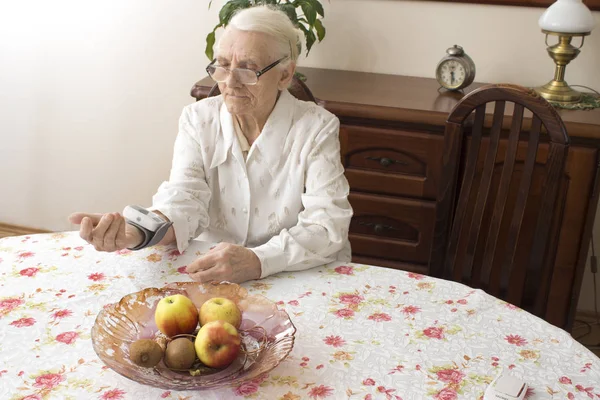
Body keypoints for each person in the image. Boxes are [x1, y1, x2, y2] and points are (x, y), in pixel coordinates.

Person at [69, 5, 352, 284]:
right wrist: (138, 232)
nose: (230, 82)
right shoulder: (197, 119)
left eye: (248, 69)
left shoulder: (317, 128)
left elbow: (327, 226)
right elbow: (185, 199)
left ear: (285, 75)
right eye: (223, 65)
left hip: (294, 275)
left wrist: (258, 260)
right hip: (214, 274)